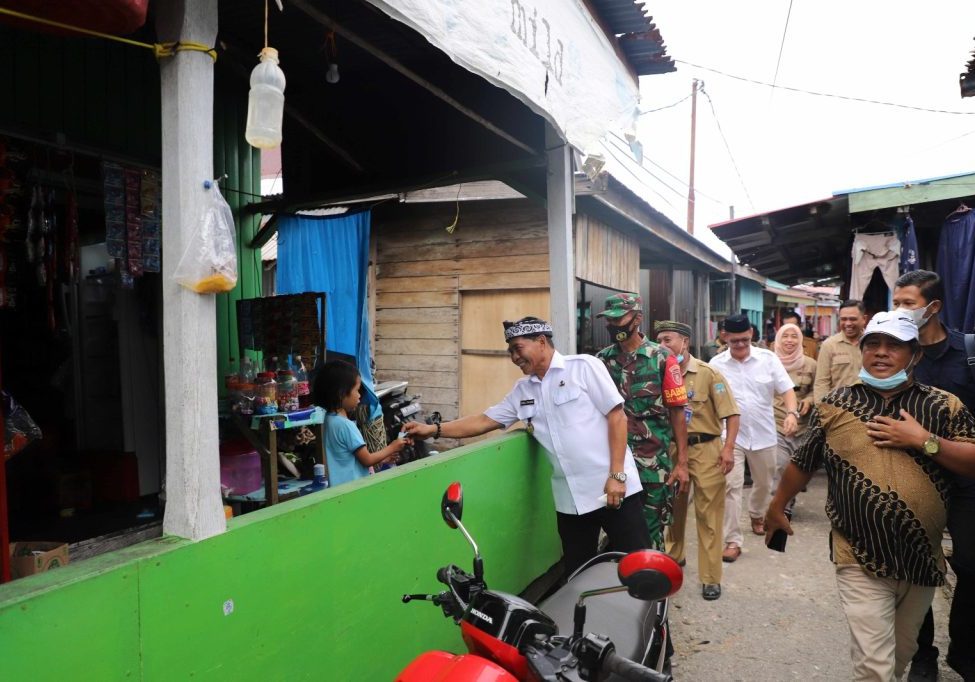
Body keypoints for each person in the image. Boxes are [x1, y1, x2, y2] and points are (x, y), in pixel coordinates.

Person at [765, 311, 975, 682]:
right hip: (859, 555)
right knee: (875, 669)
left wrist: (922, 441)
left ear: (915, 355)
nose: (881, 353)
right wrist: (776, 506)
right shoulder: (835, 405)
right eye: (873, 344)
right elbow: (802, 461)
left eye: (894, 346)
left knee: (901, 654)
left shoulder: (944, 406)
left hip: (921, 559)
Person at [404, 316, 649, 576]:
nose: (514, 358)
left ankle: (656, 616)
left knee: (640, 565)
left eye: (517, 349)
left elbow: (617, 417)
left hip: (612, 489)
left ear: (541, 341)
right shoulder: (523, 390)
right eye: (510, 351)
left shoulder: (583, 367)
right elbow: (484, 420)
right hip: (571, 502)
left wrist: (617, 475)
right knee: (579, 574)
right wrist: (434, 429)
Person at [892, 271, 975, 682]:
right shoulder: (897, 354)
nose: (900, 311)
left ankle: (965, 650)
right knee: (916, 568)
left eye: (907, 303)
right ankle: (922, 654)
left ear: (933, 307)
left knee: (972, 567)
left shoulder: (970, 353)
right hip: (915, 482)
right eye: (897, 302)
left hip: (967, 480)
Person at [595, 294, 689, 551]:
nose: (614, 326)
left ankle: (653, 589)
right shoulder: (602, 361)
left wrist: (682, 463)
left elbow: (678, 412)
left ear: (637, 319)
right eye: (609, 320)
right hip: (615, 465)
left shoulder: (662, 358)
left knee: (649, 536)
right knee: (617, 534)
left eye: (619, 319)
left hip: (652, 467)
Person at [656, 321, 740, 601]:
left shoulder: (708, 374)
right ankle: (673, 559)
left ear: (685, 343)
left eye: (667, 340)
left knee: (709, 515)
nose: (662, 346)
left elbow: (732, 413)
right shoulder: (657, 372)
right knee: (673, 510)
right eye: (659, 341)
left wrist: (728, 449)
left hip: (706, 450)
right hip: (671, 451)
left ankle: (710, 578)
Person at [709, 313, 798, 563]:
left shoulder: (768, 359)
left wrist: (791, 413)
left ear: (751, 335)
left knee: (764, 482)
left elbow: (787, 390)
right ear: (724, 337)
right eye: (734, 341)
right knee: (731, 486)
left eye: (745, 340)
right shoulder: (716, 364)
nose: (739, 345)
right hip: (729, 437)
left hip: (764, 434)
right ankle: (732, 540)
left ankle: (757, 513)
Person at [312, 360, 407, 487]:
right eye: (357, 390)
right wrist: (392, 447)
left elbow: (348, 459)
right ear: (341, 393)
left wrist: (384, 458)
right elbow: (367, 460)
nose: (359, 396)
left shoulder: (327, 420)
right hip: (353, 489)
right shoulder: (346, 426)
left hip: (337, 489)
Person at [770, 323, 817, 514]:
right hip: (775, 422)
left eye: (794, 336)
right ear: (778, 339)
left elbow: (818, 388)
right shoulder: (769, 362)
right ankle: (780, 508)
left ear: (800, 340)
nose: (790, 340)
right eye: (785, 336)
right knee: (779, 466)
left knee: (796, 467)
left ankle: (788, 499)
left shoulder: (811, 364)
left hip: (803, 426)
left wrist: (809, 399)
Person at [813, 299, 867, 401]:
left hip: (868, 408)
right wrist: (823, 411)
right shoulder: (829, 345)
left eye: (852, 319)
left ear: (864, 319)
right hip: (838, 409)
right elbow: (821, 383)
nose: (848, 323)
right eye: (843, 319)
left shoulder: (873, 344)